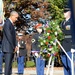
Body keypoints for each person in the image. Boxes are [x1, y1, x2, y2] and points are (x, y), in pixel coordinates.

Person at [2, 11, 19, 75]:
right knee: (7, 66)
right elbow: (9, 36)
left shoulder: (11, 24)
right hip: (8, 48)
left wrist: (16, 45)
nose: (16, 19)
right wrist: (14, 46)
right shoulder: (7, 23)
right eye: (16, 17)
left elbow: (13, 37)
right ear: (12, 16)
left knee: (10, 66)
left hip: (10, 47)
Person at [60, 6, 73, 75]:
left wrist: (73, 47)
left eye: (65, 12)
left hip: (70, 46)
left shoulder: (72, 22)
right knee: (65, 64)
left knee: (70, 65)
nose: (64, 13)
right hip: (63, 46)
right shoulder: (62, 23)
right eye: (64, 12)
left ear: (70, 13)